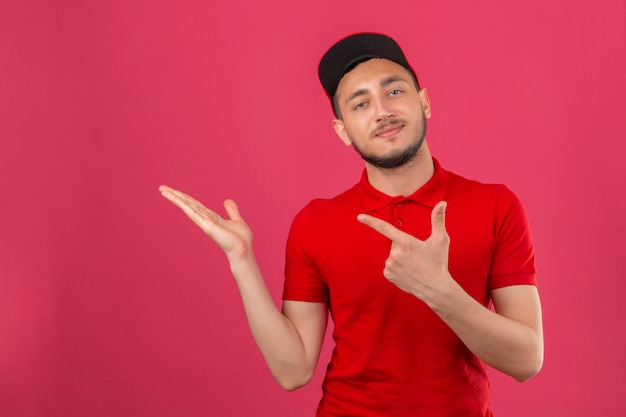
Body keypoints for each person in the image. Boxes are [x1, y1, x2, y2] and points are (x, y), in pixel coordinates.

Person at [159, 33, 543, 417]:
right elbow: (292, 370)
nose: (382, 111)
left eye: (394, 92)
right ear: (342, 130)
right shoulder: (316, 223)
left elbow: (526, 361)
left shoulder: (495, 205)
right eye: (360, 103)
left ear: (424, 102)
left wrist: (440, 291)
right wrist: (241, 260)